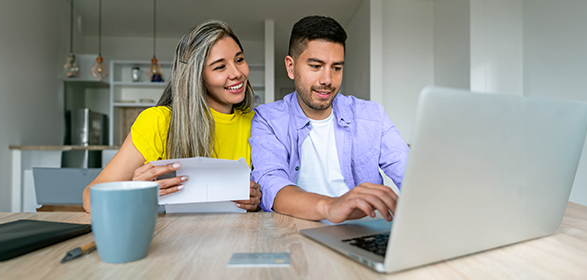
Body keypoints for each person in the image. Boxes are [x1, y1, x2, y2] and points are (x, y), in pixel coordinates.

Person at [83, 20, 261, 213]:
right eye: (220, 67)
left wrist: (257, 199)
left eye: (239, 59)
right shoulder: (158, 122)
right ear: (195, 77)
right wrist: (135, 193)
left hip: (237, 239)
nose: (237, 73)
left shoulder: (258, 123)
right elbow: (90, 198)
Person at [250, 16, 409, 223]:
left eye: (336, 68)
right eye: (316, 66)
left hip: (364, 232)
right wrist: (331, 206)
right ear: (291, 67)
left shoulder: (372, 116)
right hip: (297, 232)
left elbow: (411, 174)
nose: (327, 80)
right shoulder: (267, 119)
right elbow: (271, 184)